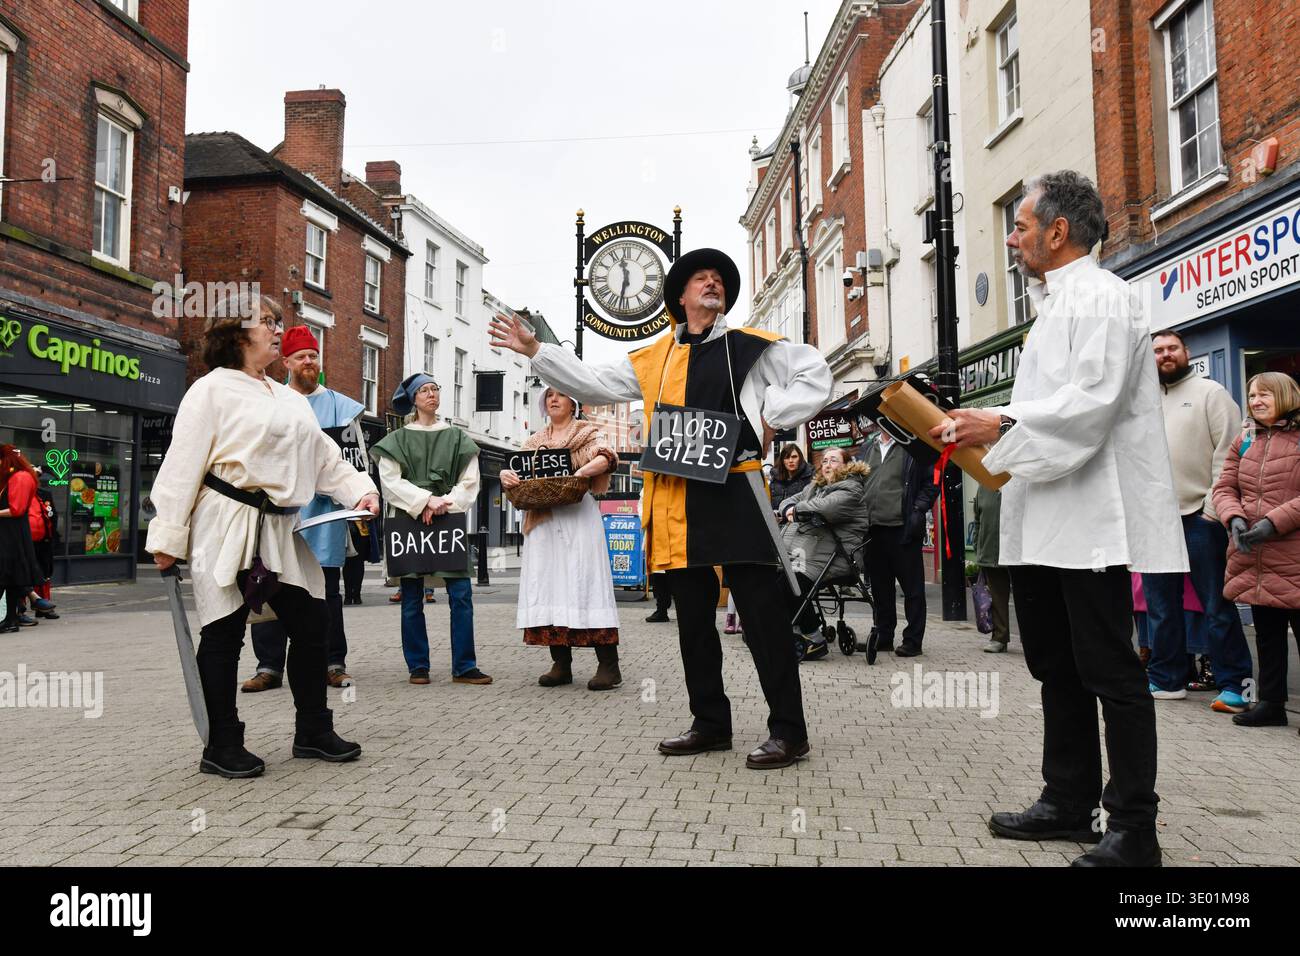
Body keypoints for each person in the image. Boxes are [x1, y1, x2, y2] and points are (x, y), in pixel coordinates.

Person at [491, 247, 833, 769]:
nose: (713, 283)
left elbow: (814, 373)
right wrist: (537, 349)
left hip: (737, 491)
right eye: (702, 278)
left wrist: (770, 413)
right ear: (680, 294)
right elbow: (593, 381)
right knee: (693, 621)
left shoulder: (751, 348)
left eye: (720, 279)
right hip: (678, 499)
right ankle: (710, 724)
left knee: (762, 616)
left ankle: (789, 730)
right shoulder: (655, 358)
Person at [934, 171, 1187, 867]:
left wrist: (999, 418)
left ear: (1056, 230)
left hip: (1092, 520)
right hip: (1044, 516)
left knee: (1110, 669)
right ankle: (1068, 799)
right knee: (1056, 665)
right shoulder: (1055, 306)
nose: (1011, 239)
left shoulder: (1103, 298)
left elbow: (1093, 403)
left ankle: (1135, 828)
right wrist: (987, 431)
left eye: (1019, 226)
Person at [146, 293, 380, 778]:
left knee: (311, 624)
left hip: (279, 528)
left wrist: (359, 490)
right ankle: (222, 744)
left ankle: (313, 730)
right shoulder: (209, 391)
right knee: (223, 633)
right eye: (267, 322)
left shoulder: (288, 398)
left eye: (277, 321)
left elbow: (323, 458)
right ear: (236, 333)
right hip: (224, 522)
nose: (277, 330)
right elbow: (181, 463)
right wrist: (168, 536)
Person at [242, 325, 370, 692]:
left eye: (314, 355)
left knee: (327, 592)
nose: (309, 362)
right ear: (287, 362)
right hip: (279, 510)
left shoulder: (341, 407)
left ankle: (333, 662)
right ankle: (268, 666)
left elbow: (354, 460)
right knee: (268, 585)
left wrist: (360, 496)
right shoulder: (271, 401)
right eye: (302, 357)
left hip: (325, 512)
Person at [1143, 329, 1253, 713]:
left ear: (1186, 352)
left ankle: (1237, 685)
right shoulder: (1144, 400)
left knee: (1216, 606)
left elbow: (1229, 454)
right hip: (1157, 521)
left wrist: (1211, 509)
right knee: (1161, 607)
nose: (1164, 355)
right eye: (1157, 350)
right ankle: (1166, 679)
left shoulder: (1212, 394)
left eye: (1171, 348)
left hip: (1200, 517)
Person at [372, 374, 492, 686]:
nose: (431, 395)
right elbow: (390, 481)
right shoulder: (397, 439)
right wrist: (424, 500)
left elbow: (470, 480)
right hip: (409, 521)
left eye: (435, 389)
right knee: (412, 594)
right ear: (413, 398)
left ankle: (464, 666)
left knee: (462, 593)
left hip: (446, 519)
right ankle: (418, 666)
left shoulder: (455, 437)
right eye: (424, 390)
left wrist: (442, 503)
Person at [501, 387, 621, 690]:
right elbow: (518, 472)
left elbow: (607, 457)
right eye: (549, 395)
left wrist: (580, 474)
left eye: (561, 394)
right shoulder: (534, 442)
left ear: (573, 403)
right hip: (544, 518)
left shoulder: (587, 433)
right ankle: (561, 663)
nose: (553, 399)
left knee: (586, 582)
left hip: (578, 517)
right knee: (550, 584)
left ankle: (609, 665)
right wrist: (507, 477)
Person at [1211, 371, 1300, 730]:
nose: (1256, 401)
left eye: (1265, 394)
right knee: (1268, 633)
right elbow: (1224, 486)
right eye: (1251, 395)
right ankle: (1272, 704)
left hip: (1291, 551)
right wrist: (1232, 517)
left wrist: (1273, 522)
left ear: (1286, 395)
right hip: (1255, 555)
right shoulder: (1245, 439)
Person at [778, 446, 870, 662]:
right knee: (780, 580)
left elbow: (823, 508)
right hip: (815, 555)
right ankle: (796, 629)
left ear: (847, 466)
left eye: (834, 460)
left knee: (792, 584)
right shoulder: (816, 486)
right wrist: (789, 509)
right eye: (825, 460)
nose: (828, 464)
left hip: (839, 558)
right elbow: (787, 501)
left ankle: (815, 639)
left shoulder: (851, 489)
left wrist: (796, 510)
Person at [856, 424, 938, 657]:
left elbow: (931, 482)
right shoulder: (867, 448)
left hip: (902, 529)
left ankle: (913, 641)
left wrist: (917, 510)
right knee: (881, 589)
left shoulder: (913, 447)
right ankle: (883, 637)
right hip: (872, 529)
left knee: (912, 589)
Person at [0, 446, 50, 632]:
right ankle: (11, 620)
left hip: (11, 535)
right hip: (10, 534)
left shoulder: (19, 477)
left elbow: (17, 509)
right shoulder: (16, 476)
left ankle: (11, 619)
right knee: (11, 579)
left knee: (8, 577)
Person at [972, 484, 1011, 653]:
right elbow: (978, 520)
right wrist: (977, 547)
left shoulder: (1016, 482)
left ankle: (1032, 639)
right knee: (996, 598)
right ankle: (999, 638)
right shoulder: (983, 486)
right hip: (990, 552)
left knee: (1029, 598)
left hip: (1016, 552)